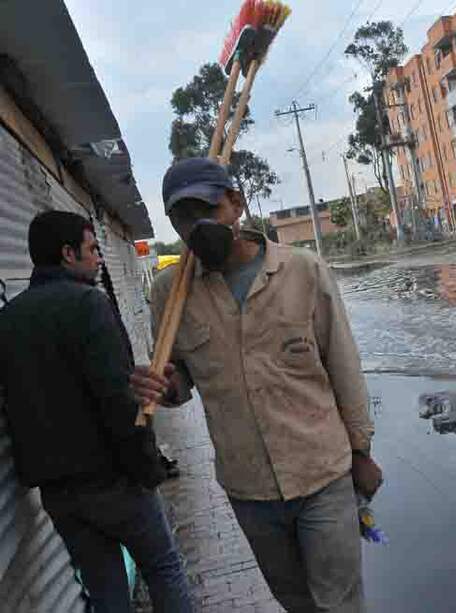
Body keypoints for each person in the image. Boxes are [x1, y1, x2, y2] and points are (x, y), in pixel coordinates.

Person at [138, 157, 381, 613]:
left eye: (205, 211)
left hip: (323, 474)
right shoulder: (170, 294)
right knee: (294, 602)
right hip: (248, 489)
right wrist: (163, 388)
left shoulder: (303, 271)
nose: (195, 228)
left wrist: (362, 452)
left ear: (236, 203)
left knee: (339, 603)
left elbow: (344, 366)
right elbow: (179, 384)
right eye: (182, 219)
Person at [0, 211, 193, 612]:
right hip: (112, 481)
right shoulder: (89, 304)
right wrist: (148, 469)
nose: (99, 259)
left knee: (106, 591)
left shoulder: (10, 319)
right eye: (91, 250)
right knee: (163, 568)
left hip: (58, 494)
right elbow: (118, 400)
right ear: (68, 254)